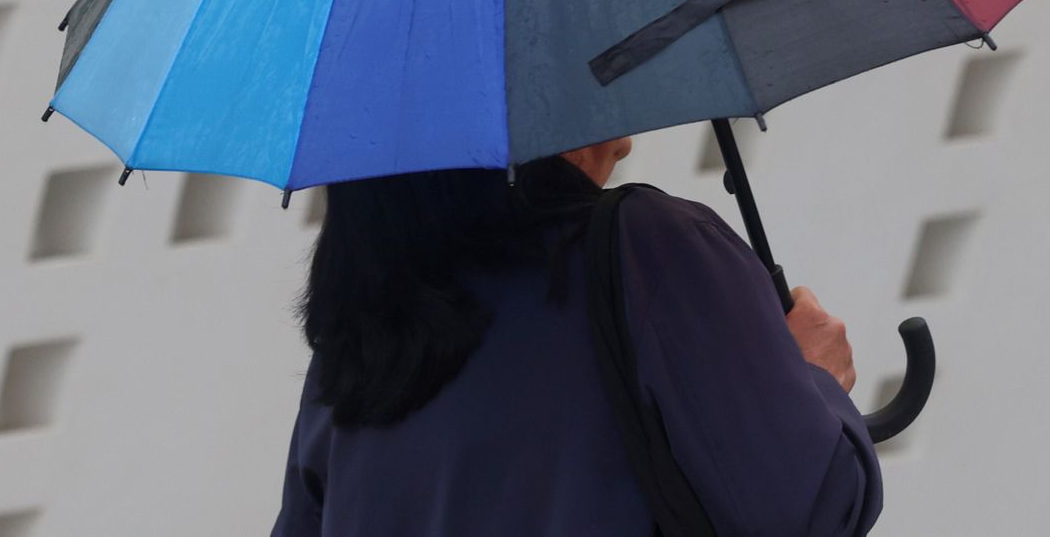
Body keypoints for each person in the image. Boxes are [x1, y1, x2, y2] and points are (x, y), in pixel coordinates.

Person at [270, 136, 882, 536]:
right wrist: (816, 379)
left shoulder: (357, 336)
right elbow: (807, 514)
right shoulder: (647, 251)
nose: (623, 143)